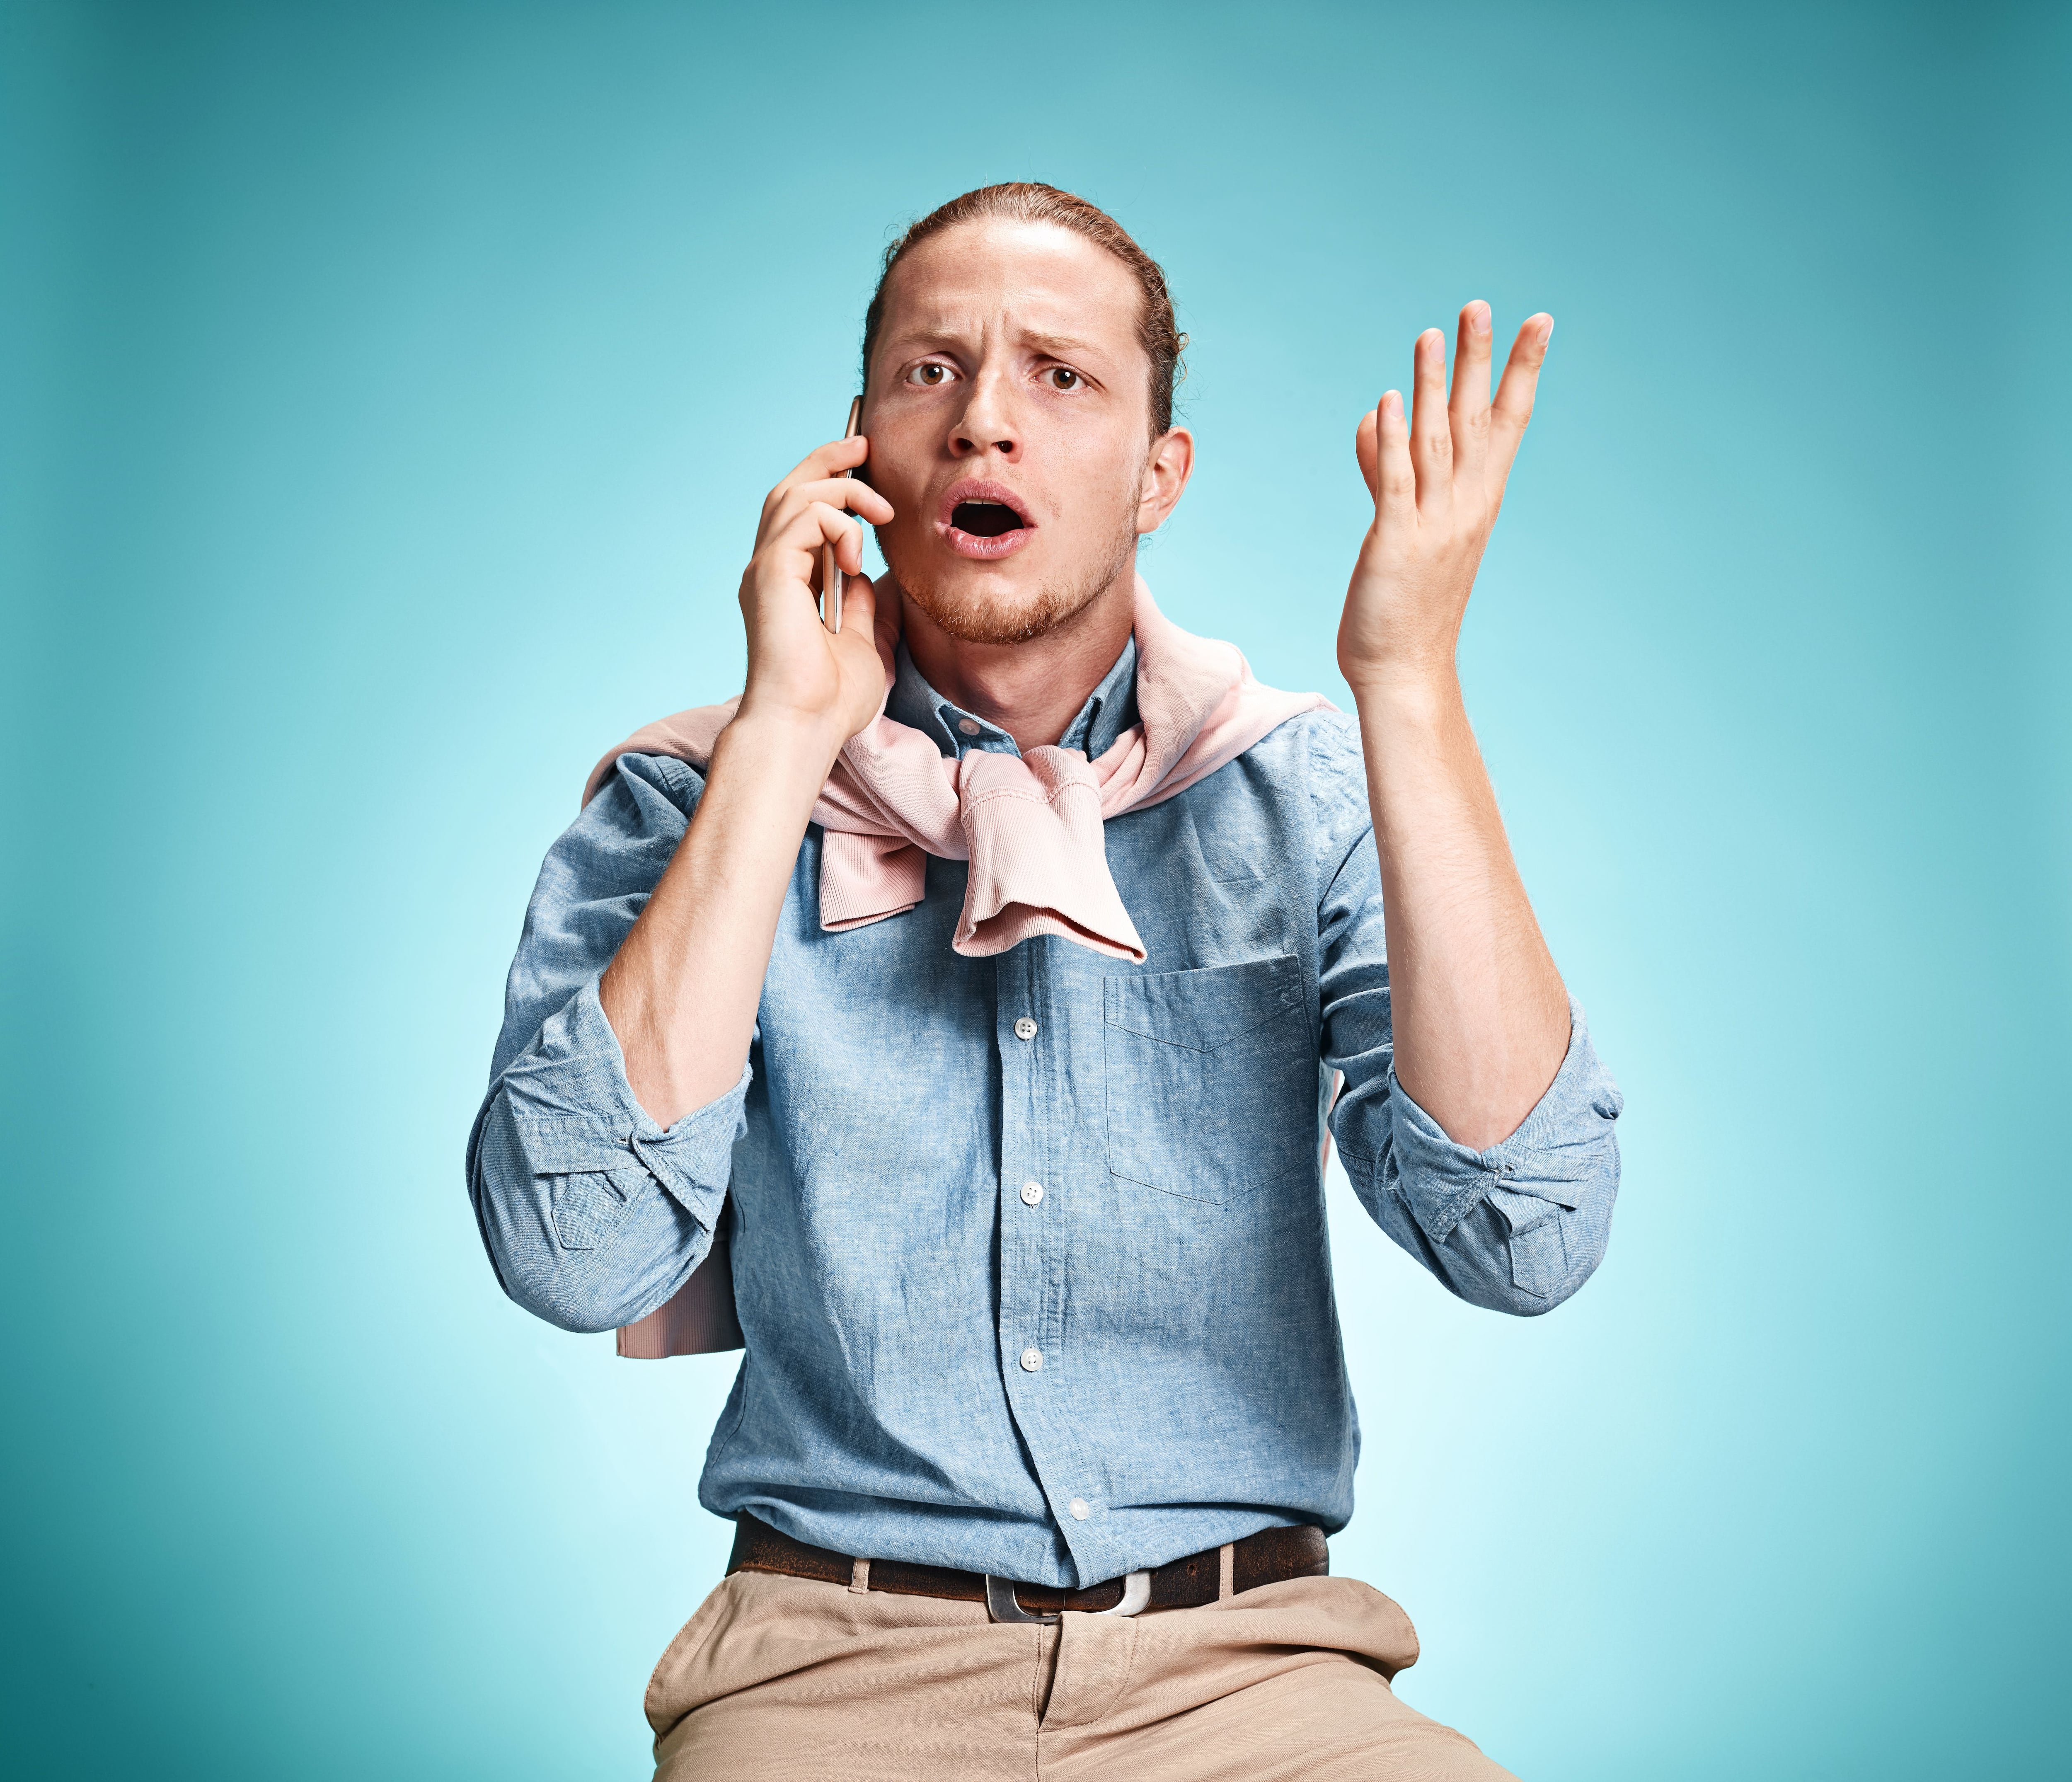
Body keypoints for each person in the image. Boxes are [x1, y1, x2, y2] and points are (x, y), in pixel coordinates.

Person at [467, 182, 1622, 1780]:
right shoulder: (686, 806)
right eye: (929, 372)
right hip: (828, 1677)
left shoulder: (1310, 798)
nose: (985, 423)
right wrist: (780, 743)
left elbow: (1530, 1235)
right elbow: (571, 1248)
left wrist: (1409, 683)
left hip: (1253, 1682)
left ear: (1162, 475)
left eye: (1060, 375)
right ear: (859, 446)